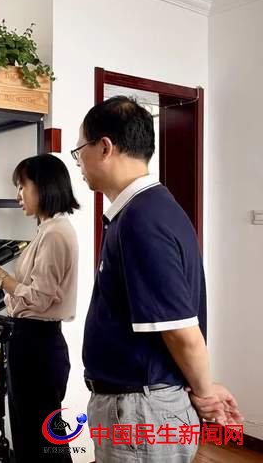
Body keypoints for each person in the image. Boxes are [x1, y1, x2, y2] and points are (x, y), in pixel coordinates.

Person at [75, 96, 243, 462]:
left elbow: (181, 331)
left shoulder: (142, 219)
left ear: (104, 147)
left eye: (79, 151)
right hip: (138, 405)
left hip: (139, 411)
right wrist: (205, 387)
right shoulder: (149, 210)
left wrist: (205, 394)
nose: (79, 163)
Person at [0, 153, 80, 462]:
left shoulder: (55, 234)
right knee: (29, 435)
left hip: (38, 346)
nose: (18, 194)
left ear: (43, 186)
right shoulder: (46, 230)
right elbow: (26, 293)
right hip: (29, 341)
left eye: (22, 186)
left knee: (41, 442)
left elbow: (39, 298)